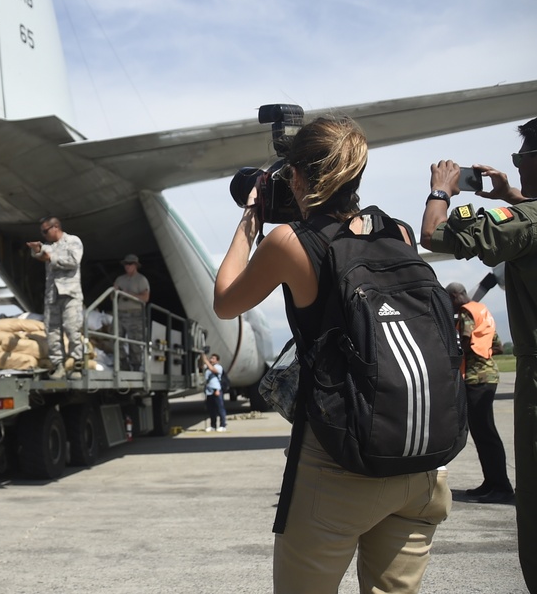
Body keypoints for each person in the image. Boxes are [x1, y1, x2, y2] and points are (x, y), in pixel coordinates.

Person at [214, 116, 451, 593]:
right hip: (420, 464)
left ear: (296, 177)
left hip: (339, 465)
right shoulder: (398, 232)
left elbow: (225, 300)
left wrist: (251, 217)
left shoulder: (292, 243)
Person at [421, 117, 537, 591]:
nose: (517, 166)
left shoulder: (527, 224)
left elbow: (434, 235)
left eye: (520, 157)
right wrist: (513, 197)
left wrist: (441, 191)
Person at [445, 282, 514, 504]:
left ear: (456, 296)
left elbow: (462, 344)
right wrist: (482, 353)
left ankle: (501, 487)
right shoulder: (483, 312)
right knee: (485, 432)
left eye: (449, 299)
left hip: (476, 378)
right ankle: (492, 482)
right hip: (489, 375)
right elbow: (498, 347)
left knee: (485, 433)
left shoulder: (466, 313)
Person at [26, 216, 84, 380]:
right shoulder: (49, 247)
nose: (44, 235)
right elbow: (39, 255)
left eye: (45, 231)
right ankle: (58, 365)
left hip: (70, 294)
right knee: (51, 331)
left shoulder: (73, 241)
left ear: (55, 227)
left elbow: (73, 261)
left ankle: (77, 364)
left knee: (72, 329)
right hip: (52, 295)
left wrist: (51, 258)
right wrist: (37, 249)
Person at [113, 254, 150, 371]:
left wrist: (128, 294)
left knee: (134, 343)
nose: (127, 267)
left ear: (135, 266)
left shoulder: (141, 280)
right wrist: (114, 292)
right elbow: (112, 297)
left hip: (135, 314)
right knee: (114, 339)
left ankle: (136, 366)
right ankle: (123, 363)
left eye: (130, 264)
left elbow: (145, 298)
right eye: (126, 264)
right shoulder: (120, 279)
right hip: (120, 313)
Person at [201, 353, 226, 432]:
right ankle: (213, 426)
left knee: (220, 408)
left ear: (217, 360)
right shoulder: (207, 368)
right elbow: (201, 367)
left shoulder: (218, 367)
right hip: (209, 391)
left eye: (213, 358)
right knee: (211, 410)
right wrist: (202, 359)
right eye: (210, 358)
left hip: (216, 390)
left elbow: (213, 370)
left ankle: (223, 425)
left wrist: (206, 361)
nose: (211, 359)